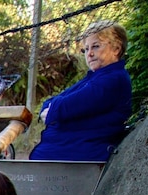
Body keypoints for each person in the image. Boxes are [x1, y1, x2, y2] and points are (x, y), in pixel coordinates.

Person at [29, 20, 132, 162]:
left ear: (116, 49)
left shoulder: (113, 79)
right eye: (86, 49)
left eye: (95, 47)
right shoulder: (95, 78)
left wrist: (54, 110)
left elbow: (66, 106)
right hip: (67, 154)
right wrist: (53, 108)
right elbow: (49, 103)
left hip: (82, 158)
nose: (89, 54)